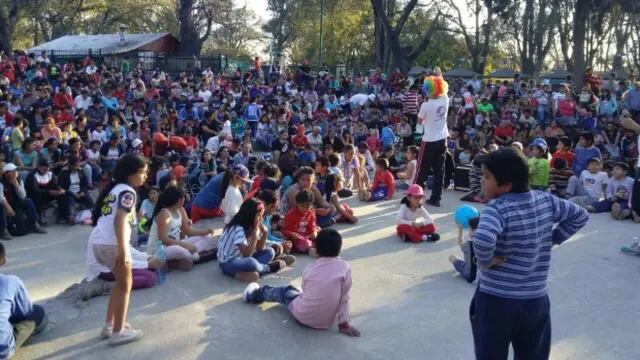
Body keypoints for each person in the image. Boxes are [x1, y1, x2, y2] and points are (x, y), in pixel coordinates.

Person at [470, 148, 588, 360]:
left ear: (506, 185)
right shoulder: (546, 200)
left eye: (487, 177)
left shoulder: (497, 208)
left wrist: (486, 261)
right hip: (535, 300)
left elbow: (483, 240)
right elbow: (580, 215)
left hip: (495, 300)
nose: (481, 181)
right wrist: (553, 238)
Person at [243, 228, 360, 337]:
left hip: (303, 315)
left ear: (316, 249)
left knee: (284, 292)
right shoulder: (345, 268)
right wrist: (343, 324)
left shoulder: (310, 270)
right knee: (297, 293)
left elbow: (305, 288)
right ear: (339, 248)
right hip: (326, 322)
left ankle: (254, 294)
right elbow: (344, 297)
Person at [88, 154, 147, 346]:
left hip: (98, 242)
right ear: (131, 174)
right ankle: (118, 332)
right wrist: (123, 250)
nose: (145, 177)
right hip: (112, 243)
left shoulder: (115, 189)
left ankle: (110, 324)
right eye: (143, 173)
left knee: (118, 284)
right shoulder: (128, 192)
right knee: (125, 286)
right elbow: (119, 219)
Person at [147, 185, 216, 271]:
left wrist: (204, 232)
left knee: (207, 238)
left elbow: (187, 231)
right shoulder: (164, 214)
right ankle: (198, 256)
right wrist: (185, 245)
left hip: (176, 244)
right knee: (182, 252)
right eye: (184, 196)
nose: (186, 198)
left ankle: (192, 257)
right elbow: (163, 239)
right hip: (159, 250)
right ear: (180, 200)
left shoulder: (180, 209)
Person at [216, 198, 286, 283]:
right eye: (259, 216)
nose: (261, 219)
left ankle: (245, 273)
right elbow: (247, 254)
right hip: (228, 263)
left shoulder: (252, 226)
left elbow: (259, 248)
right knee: (250, 262)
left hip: (242, 259)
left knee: (270, 252)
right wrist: (255, 234)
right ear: (250, 215)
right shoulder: (237, 228)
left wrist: (265, 233)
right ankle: (267, 268)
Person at [0, 243, 48, 359]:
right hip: (2, 349)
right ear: (4, 261)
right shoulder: (11, 282)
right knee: (38, 313)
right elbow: (25, 312)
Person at [415, 76, 449, 207]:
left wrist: (419, 130)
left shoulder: (426, 105)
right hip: (442, 139)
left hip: (429, 140)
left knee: (421, 170)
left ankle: (415, 198)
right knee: (439, 171)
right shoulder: (445, 100)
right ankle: (436, 198)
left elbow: (419, 122)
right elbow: (444, 92)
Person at [283, 190, 320, 255]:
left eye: (308, 206)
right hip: (296, 238)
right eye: (302, 206)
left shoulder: (311, 213)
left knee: (322, 234)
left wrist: (314, 232)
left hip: (306, 236)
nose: (305, 209)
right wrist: (292, 234)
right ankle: (311, 248)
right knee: (303, 243)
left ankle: (312, 247)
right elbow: (285, 230)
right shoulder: (291, 214)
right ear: (297, 204)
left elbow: (312, 227)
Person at [449, 217, 479, 283]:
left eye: (469, 228)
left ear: (474, 231)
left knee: (452, 257)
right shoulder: (489, 242)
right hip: (482, 275)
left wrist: (460, 229)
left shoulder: (469, 245)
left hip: (471, 275)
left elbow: (460, 242)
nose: (468, 230)